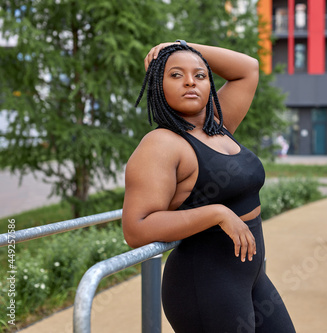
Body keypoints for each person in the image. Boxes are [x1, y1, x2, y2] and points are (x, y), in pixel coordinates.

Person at [122, 40, 296, 333]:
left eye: (200, 75)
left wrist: (181, 45)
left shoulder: (217, 123)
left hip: (250, 278)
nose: (190, 81)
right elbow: (136, 229)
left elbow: (248, 68)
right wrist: (216, 213)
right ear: (157, 84)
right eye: (175, 75)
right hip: (204, 285)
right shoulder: (161, 144)